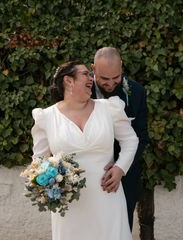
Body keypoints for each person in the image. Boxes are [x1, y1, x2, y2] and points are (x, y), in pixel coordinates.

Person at [31, 60, 139, 240]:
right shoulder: (46, 117)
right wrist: (49, 184)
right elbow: (39, 161)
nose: (91, 77)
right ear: (68, 81)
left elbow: (130, 140)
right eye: (85, 74)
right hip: (70, 203)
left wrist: (120, 168)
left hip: (107, 194)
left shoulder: (109, 108)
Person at [91, 47, 149, 230]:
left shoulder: (137, 92)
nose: (110, 84)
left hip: (126, 175)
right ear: (93, 69)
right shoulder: (80, 90)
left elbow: (141, 136)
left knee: (122, 224)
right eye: (104, 79)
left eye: (115, 78)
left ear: (121, 67)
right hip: (91, 172)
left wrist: (120, 166)